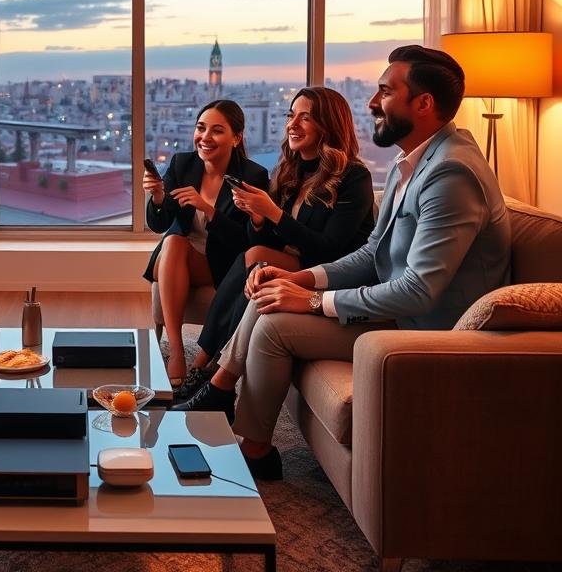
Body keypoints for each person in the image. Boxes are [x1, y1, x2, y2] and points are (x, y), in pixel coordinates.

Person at [174, 45, 512, 481]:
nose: (372, 102)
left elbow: (418, 291)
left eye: (386, 92)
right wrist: (300, 277)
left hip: (426, 330)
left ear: (423, 104)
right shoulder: (411, 162)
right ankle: (234, 414)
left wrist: (315, 302)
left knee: (276, 322)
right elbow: (375, 251)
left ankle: (243, 429)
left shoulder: (452, 174)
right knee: (271, 288)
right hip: (399, 310)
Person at [174, 87, 375, 402]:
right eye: (291, 115)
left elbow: (330, 249)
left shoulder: (353, 177)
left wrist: (273, 213)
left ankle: (208, 371)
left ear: (329, 124)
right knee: (253, 254)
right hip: (290, 263)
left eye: (305, 118)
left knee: (256, 257)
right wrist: (257, 217)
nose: (293, 124)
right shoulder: (290, 171)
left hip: (328, 274)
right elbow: (264, 241)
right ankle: (206, 365)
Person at [142, 99, 269, 388]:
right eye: (201, 128)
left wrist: (209, 210)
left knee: (174, 243)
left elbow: (248, 241)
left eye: (217, 131)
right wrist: (159, 197)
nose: (205, 137)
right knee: (172, 240)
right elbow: (159, 224)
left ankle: (199, 358)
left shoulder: (252, 176)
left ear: (236, 138)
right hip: (182, 255)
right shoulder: (183, 164)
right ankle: (176, 349)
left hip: (223, 263)